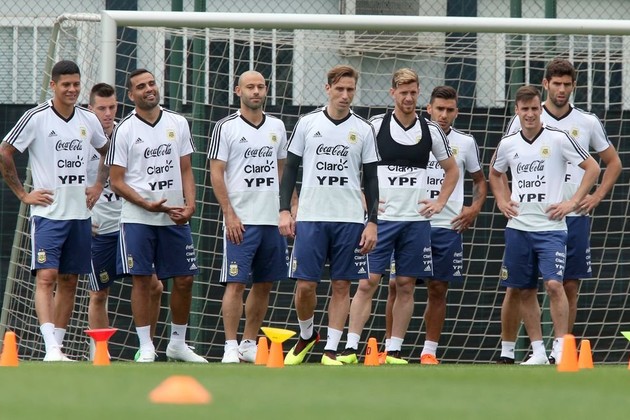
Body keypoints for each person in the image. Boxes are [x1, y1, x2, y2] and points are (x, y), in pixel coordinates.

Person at [499, 59, 621, 364]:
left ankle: (561, 348)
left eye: (567, 84)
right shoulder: (523, 118)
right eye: (557, 84)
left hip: (571, 217)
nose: (562, 89)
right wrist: (504, 199)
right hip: (530, 217)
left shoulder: (587, 122)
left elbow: (612, 163)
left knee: (567, 285)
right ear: (546, 85)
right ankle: (520, 350)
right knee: (519, 286)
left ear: (574, 86)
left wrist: (594, 196)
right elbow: (501, 165)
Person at [337, 72, 459, 365]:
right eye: (403, 92)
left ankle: (394, 349)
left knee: (405, 284)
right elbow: (352, 165)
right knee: (367, 282)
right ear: (392, 93)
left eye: (413, 92)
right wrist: (365, 201)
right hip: (382, 221)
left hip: (415, 222)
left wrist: (440, 202)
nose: (408, 98)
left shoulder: (431, 130)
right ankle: (351, 347)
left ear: (419, 93)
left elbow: (452, 170)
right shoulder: (375, 126)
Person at [0, 60, 109, 361]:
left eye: (76, 84)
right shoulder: (36, 117)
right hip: (48, 214)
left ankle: (57, 348)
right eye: (66, 85)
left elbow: (107, 151)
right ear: (53, 85)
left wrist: (98, 185)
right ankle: (49, 346)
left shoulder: (88, 119)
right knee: (46, 276)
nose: (72, 90)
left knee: (70, 280)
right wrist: (23, 194)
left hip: (80, 215)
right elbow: (5, 151)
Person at [279, 65, 380, 366]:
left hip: (349, 218)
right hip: (311, 216)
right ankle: (307, 334)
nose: (345, 95)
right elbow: (290, 170)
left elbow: (372, 179)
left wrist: (372, 222)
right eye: (340, 89)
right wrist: (284, 210)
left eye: (350, 90)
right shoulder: (307, 123)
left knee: (342, 285)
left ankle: (331, 350)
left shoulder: (364, 129)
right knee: (305, 286)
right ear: (328, 89)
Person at [107, 68, 206, 363]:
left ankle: (178, 343)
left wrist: (190, 205)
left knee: (184, 279)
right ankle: (146, 345)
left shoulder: (178, 122)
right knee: (141, 280)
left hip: (173, 217)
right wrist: (146, 203)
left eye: (151, 83)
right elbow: (116, 181)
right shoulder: (125, 129)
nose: (149, 89)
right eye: (141, 86)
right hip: (138, 218)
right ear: (131, 95)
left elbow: (186, 169)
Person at [209, 70, 289, 363]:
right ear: (238, 91)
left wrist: (287, 207)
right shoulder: (225, 127)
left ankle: (248, 343)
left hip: (271, 220)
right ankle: (230, 345)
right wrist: (229, 214)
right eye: (250, 87)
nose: (256, 92)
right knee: (235, 283)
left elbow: (282, 170)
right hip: (241, 219)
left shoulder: (277, 126)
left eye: (261, 87)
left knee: (264, 283)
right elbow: (216, 172)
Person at [83, 83, 163, 360]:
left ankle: (147, 347)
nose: (107, 114)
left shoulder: (127, 132)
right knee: (98, 293)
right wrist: (82, 217)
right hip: (100, 229)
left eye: (112, 107)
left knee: (154, 286)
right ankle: (101, 353)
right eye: (101, 108)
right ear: (90, 109)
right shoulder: (81, 139)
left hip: (130, 224)